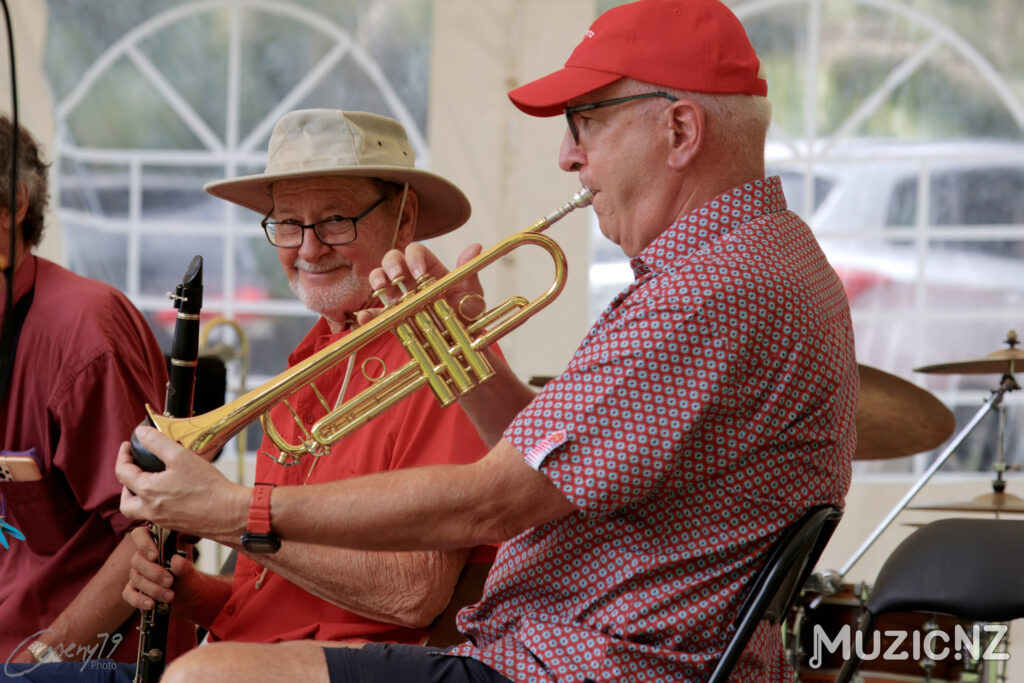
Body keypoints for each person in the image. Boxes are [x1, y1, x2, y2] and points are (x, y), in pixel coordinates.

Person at [116, 1, 859, 681]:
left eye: (587, 120)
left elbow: (496, 502)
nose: (569, 156)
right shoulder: (747, 260)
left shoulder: (709, 289)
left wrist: (233, 509)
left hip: (586, 664)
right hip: (563, 649)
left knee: (203, 678)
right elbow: (552, 474)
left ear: (681, 130)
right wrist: (462, 355)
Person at [118, 109, 492, 653]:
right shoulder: (306, 363)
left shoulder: (445, 350)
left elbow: (414, 592)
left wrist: (222, 514)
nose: (309, 249)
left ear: (404, 219)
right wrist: (196, 594)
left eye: (337, 219)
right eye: (288, 224)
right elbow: (275, 592)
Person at [0, 116, 195, 668]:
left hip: (71, 663)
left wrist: (41, 659)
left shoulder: (85, 335)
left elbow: (160, 533)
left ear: (14, 204)